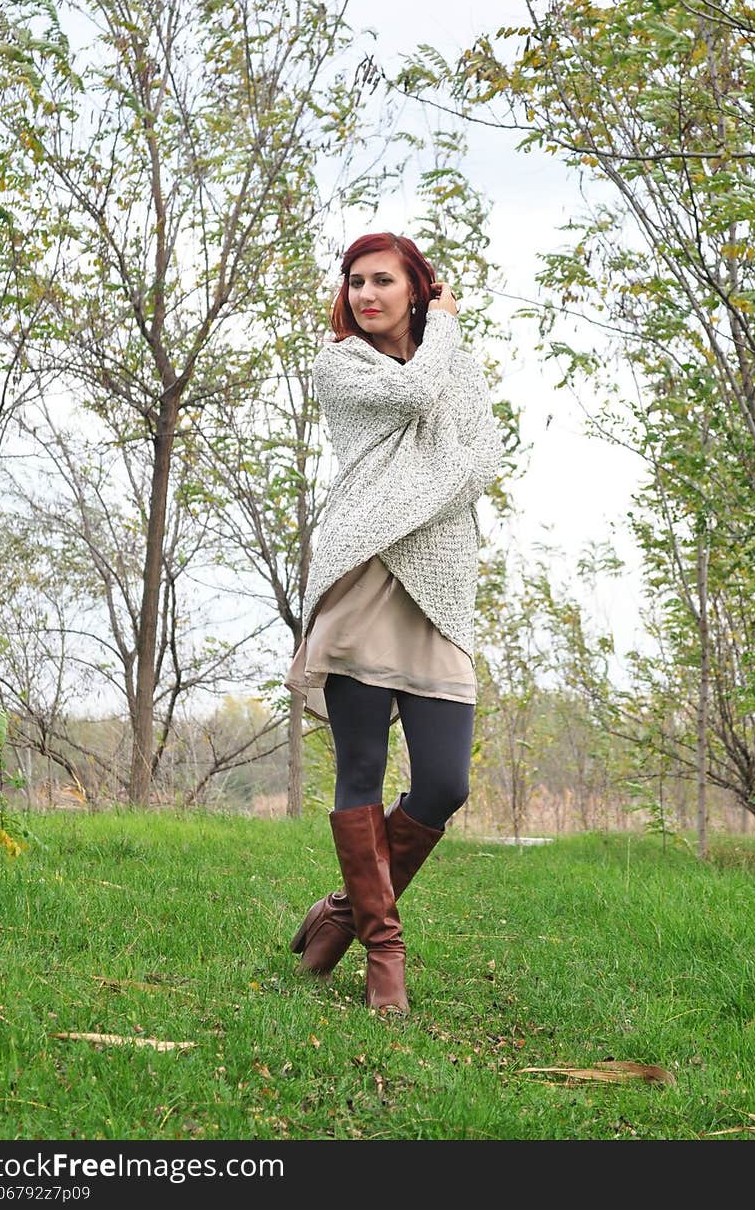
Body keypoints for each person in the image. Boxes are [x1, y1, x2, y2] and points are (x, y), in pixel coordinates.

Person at [284, 231, 503, 1015]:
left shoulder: (456, 361)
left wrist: (421, 484)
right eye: (354, 282)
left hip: (438, 586)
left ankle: (341, 912)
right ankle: (384, 952)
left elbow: (481, 459)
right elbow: (417, 400)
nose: (365, 294)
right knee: (361, 775)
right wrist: (446, 324)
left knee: (445, 781)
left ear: (416, 285)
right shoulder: (337, 365)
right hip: (361, 573)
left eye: (383, 280)